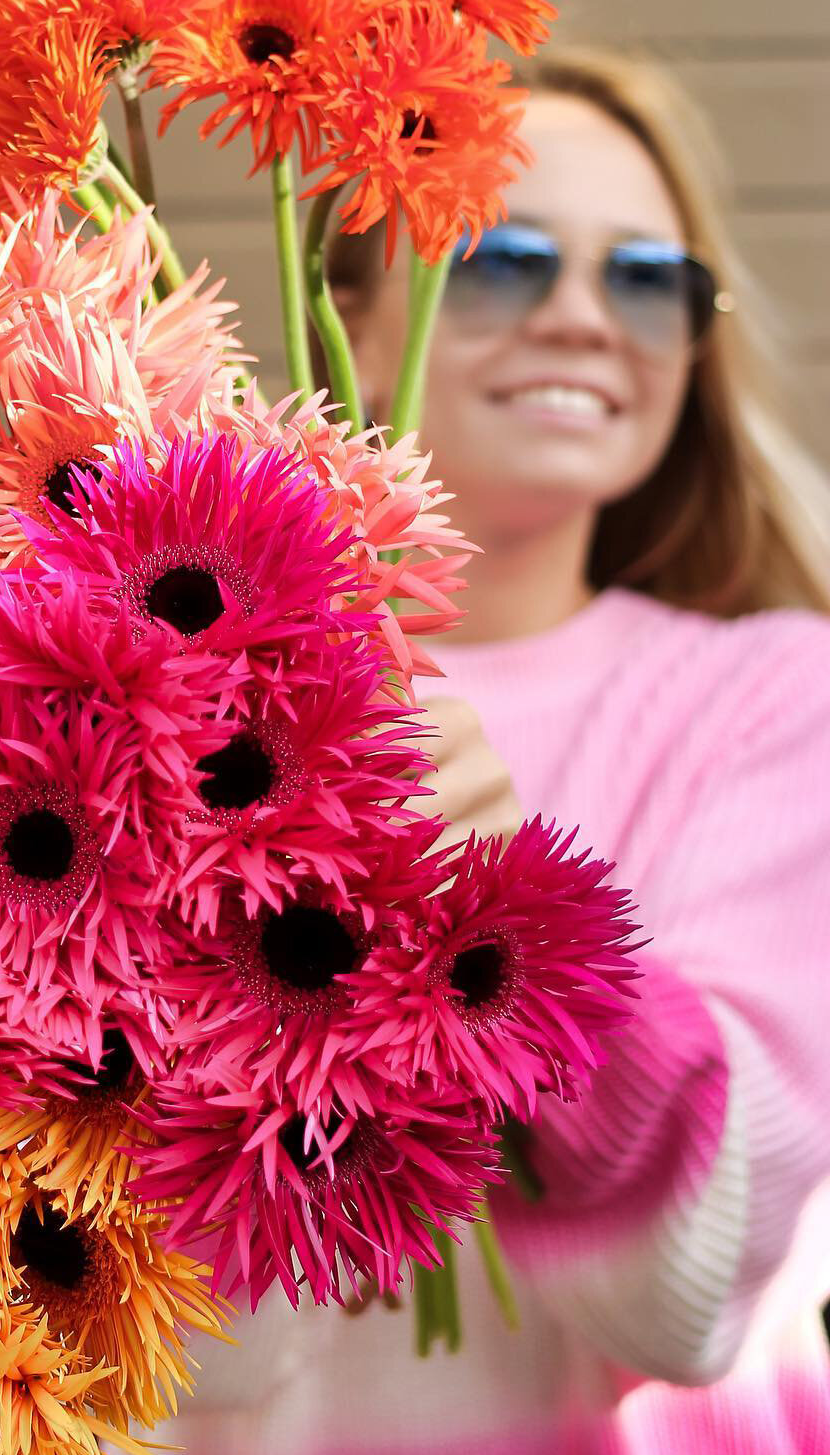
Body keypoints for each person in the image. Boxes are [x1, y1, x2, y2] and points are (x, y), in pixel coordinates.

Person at [158, 48, 830, 1455]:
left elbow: (689, 1296)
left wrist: (507, 932)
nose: (587, 319)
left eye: (650, 280)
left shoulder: (776, 696)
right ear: (344, 308)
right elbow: (179, 1343)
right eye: (504, 260)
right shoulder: (177, 711)